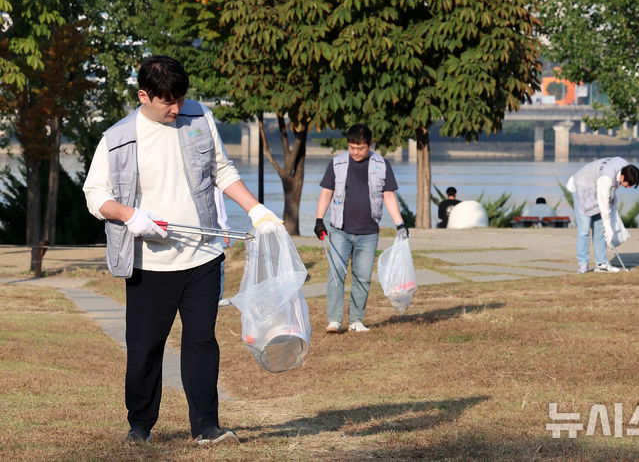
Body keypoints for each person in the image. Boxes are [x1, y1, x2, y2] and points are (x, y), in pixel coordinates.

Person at [83, 56, 281, 445]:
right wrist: (130, 216)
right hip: (149, 263)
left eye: (181, 99)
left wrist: (257, 211)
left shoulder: (199, 118)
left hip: (203, 256)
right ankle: (140, 425)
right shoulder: (118, 137)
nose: (177, 109)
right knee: (145, 347)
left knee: (202, 341)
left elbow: (221, 171)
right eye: (167, 102)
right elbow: (95, 195)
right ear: (144, 96)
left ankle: (206, 425)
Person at [313, 124, 407, 334]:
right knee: (336, 274)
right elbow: (326, 192)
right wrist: (319, 220)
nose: (355, 152)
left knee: (362, 277)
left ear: (370, 145)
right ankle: (334, 321)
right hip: (339, 230)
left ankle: (356, 320)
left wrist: (400, 224)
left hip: (369, 232)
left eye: (360, 148)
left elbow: (389, 196)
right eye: (352, 147)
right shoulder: (337, 163)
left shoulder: (382, 165)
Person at [566, 157, 639, 274]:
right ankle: (582, 265)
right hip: (581, 186)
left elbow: (609, 190)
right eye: (627, 185)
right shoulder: (606, 178)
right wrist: (609, 228)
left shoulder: (625, 167)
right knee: (584, 229)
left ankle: (601, 263)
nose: (628, 187)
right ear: (622, 177)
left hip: (597, 187)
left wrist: (613, 195)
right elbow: (603, 205)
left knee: (600, 228)